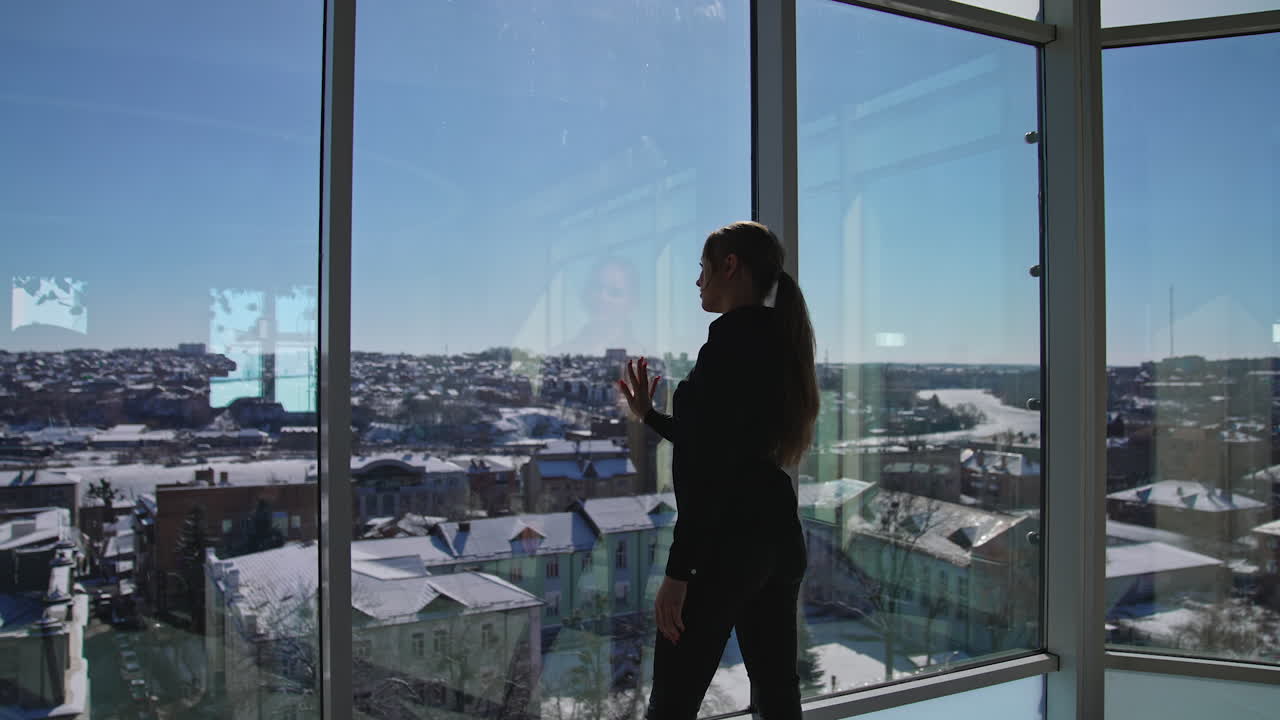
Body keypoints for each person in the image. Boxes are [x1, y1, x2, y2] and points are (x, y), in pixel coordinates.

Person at [617, 221, 819, 720]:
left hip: (725, 548)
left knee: (673, 702)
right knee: (776, 691)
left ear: (730, 267)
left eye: (703, 269)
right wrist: (652, 417)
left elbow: (704, 470)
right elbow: (725, 443)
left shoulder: (728, 347)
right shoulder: (778, 344)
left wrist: (679, 572)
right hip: (777, 537)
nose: (698, 282)